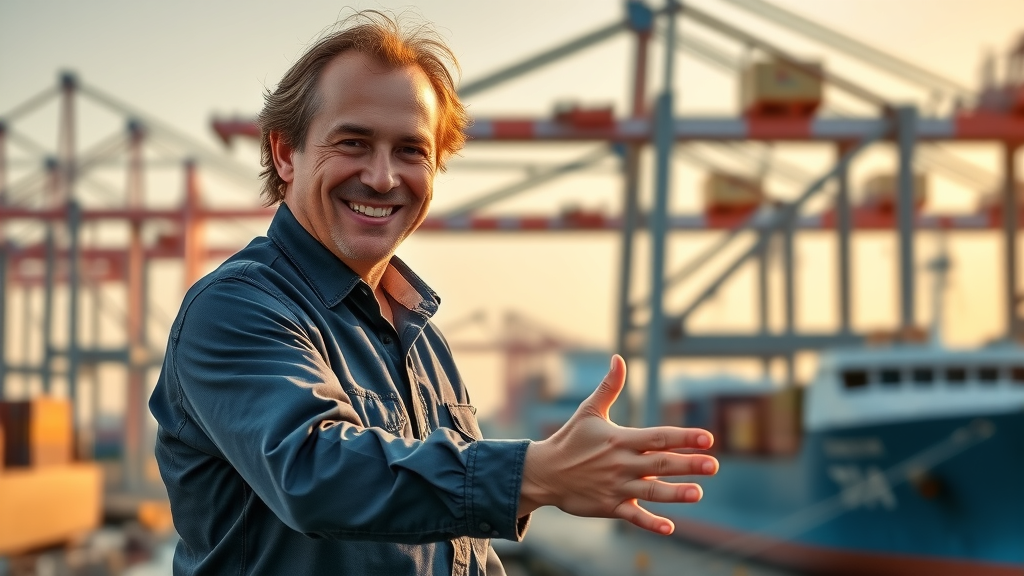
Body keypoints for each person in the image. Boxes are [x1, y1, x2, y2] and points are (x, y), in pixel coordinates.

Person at [149, 10, 718, 576]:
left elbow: (463, 552)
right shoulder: (236, 308)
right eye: (353, 142)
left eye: (411, 151)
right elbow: (315, 475)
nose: (382, 177)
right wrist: (536, 474)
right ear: (284, 154)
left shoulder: (424, 341)